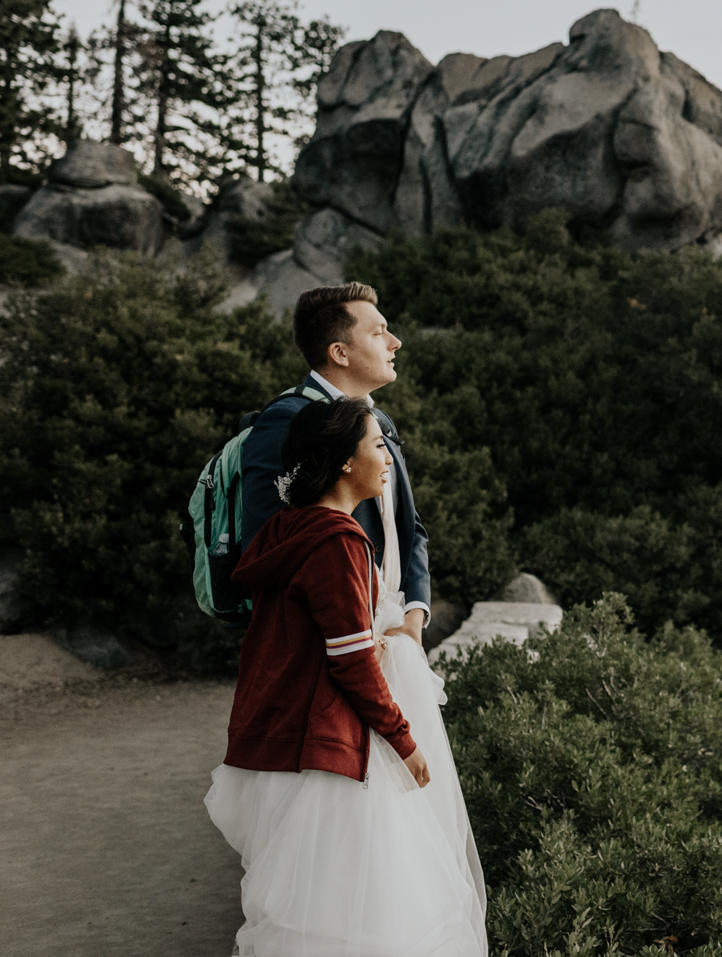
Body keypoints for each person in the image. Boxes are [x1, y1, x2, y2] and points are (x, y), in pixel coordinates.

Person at [206, 397, 487, 956]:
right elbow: (351, 659)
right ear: (343, 462)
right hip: (330, 746)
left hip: (282, 737)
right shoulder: (337, 541)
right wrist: (404, 741)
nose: (388, 459)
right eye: (377, 446)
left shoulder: (289, 528)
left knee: (307, 909)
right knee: (365, 913)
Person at [241, 282, 431, 648]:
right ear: (340, 353)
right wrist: (347, 638)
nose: (395, 342)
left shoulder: (380, 423)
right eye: (378, 333)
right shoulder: (284, 422)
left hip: (395, 635)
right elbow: (267, 549)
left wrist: (415, 616)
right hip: (328, 647)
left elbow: (410, 527)